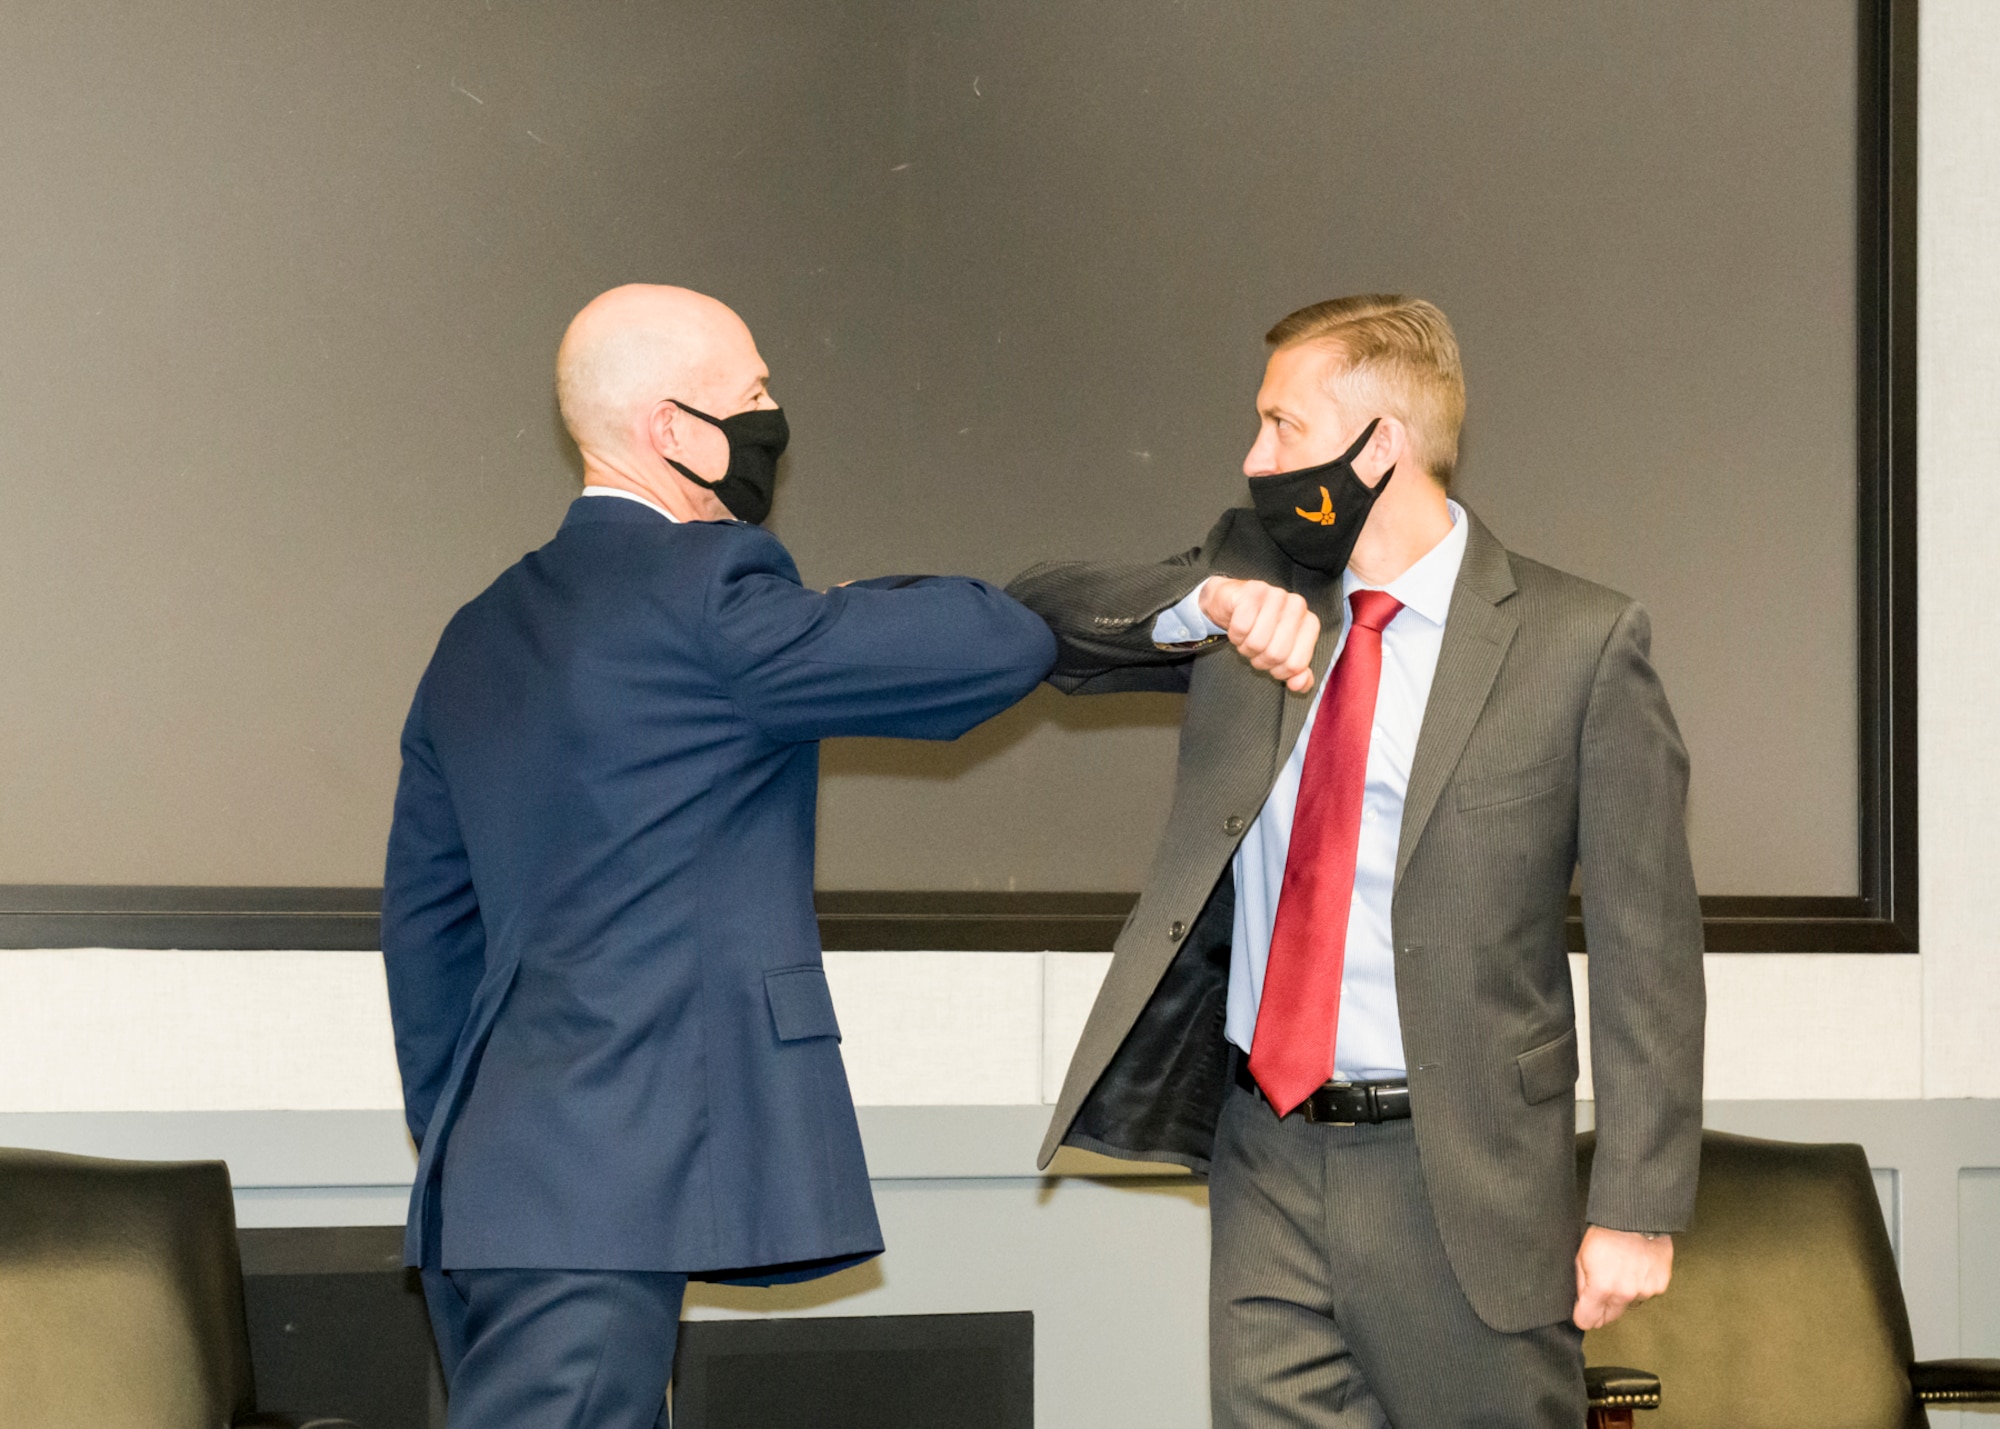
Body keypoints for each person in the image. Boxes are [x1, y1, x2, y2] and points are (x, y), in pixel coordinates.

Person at [1011, 294, 1704, 1427]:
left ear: (1378, 447)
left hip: (1460, 1170)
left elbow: (1649, 946)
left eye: (1281, 426)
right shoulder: (1253, 582)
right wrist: (1204, 605)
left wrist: (1633, 1202)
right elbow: (1041, 621)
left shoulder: (1578, 642)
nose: (1252, 458)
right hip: (1264, 1154)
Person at [382, 284, 1055, 1429]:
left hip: (497, 1183)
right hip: (612, 1186)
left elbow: (428, 937)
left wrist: (502, 1126)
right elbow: (995, 642)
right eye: (752, 394)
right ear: (668, 428)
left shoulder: (478, 630)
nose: (773, 414)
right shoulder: (710, 588)